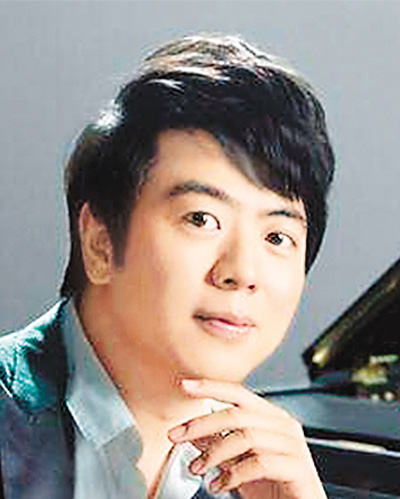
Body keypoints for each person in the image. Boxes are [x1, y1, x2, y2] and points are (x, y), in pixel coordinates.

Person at [0, 34, 334, 499]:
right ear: (100, 243)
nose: (242, 272)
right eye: (201, 219)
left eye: (277, 237)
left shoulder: (271, 475)